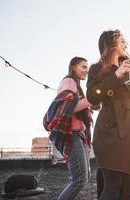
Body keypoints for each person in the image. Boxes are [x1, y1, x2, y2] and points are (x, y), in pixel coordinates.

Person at [86, 29, 130, 200]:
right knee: (112, 187)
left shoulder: (129, 67)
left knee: (128, 186)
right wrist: (116, 75)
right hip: (109, 130)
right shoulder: (96, 69)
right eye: (122, 40)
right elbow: (92, 96)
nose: (126, 44)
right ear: (110, 44)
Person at [43, 57, 93, 199]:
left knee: (84, 177)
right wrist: (90, 99)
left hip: (78, 134)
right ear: (73, 67)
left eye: (87, 67)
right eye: (83, 67)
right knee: (79, 180)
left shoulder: (75, 85)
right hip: (72, 134)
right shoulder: (69, 81)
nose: (87, 70)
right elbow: (68, 107)